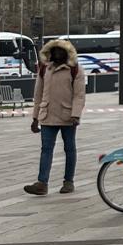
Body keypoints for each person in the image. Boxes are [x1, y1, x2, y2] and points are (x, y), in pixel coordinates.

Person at [24, 38, 85, 196]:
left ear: (66, 52)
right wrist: (35, 118)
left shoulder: (75, 69)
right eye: (54, 50)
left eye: (60, 50)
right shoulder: (45, 68)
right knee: (46, 149)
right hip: (47, 115)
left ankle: (68, 182)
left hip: (68, 117)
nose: (57, 53)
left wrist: (76, 115)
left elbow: (79, 95)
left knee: (69, 149)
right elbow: (38, 94)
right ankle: (42, 183)